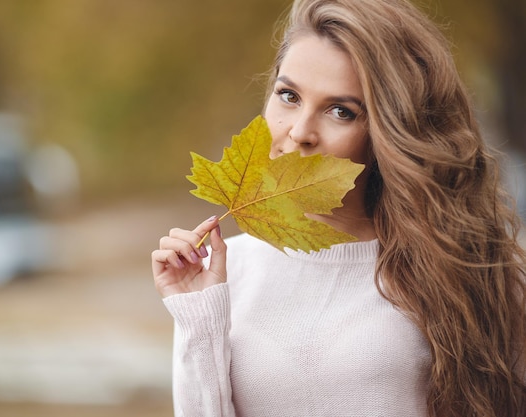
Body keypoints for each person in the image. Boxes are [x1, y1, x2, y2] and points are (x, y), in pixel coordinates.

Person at [151, 0, 526, 415]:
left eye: (340, 111)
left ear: (390, 130)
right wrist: (198, 315)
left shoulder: (465, 271)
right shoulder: (224, 272)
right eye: (288, 95)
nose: (299, 132)